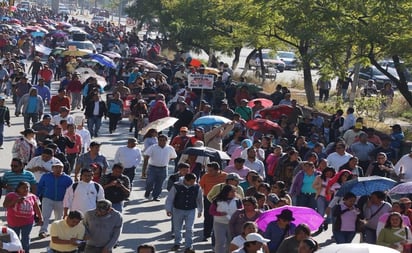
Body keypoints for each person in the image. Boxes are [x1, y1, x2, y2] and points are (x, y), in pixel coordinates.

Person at [166, 173, 203, 252]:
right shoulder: (176, 186)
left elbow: (199, 199)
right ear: (186, 180)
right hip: (178, 210)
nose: (193, 183)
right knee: (177, 228)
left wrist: (200, 210)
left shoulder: (197, 187)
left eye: (194, 181)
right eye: (191, 182)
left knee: (189, 228)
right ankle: (177, 243)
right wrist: (168, 209)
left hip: (191, 210)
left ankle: (188, 246)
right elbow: (170, 198)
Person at [3, 181, 43, 253]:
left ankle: (25, 251)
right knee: (14, 238)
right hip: (13, 222)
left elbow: (37, 208)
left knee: (25, 239)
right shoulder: (11, 195)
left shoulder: (32, 196)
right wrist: (16, 201)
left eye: (28, 187)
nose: (26, 189)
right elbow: (5, 205)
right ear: (18, 188)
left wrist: (40, 218)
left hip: (28, 222)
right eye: (23, 188)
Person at [37, 160, 73, 239]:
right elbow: (39, 187)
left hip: (61, 201)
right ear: (52, 168)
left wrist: (70, 202)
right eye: (56, 167)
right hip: (47, 199)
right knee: (45, 216)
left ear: (63, 169)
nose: (58, 169)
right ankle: (43, 231)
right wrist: (36, 197)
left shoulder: (68, 179)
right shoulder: (45, 176)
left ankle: (56, 232)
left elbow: (71, 191)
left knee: (58, 218)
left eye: (60, 168)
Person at [199, 162, 228, 241]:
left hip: (222, 200)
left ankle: (217, 235)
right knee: (208, 217)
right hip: (208, 199)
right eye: (208, 170)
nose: (208, 172)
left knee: (220, 217)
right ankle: (206, 234)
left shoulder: (225, 176)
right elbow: (200, 186)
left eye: (211, 170)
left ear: (217, 170)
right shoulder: (205, 176)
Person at [144, 134, 177, 201]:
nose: (162, 141)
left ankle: (156, 196)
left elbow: (173, 156)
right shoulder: (153, 147)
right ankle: (148, 190)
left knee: (160, 183)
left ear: (166, 141)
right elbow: (146, 156)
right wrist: (144, 169)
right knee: (150, 181)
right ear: (158, 141)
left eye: (163, 140)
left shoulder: (170, 148)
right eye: (160, 140)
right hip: (152, 168)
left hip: (163, 168)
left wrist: (166, 159)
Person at [210, 184, 242, 253]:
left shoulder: (237, 201)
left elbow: (241, 211)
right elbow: (211, 211)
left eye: (235, 192)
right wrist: (220, 213)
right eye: (232, 192)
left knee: (231, 241)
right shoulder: (217, 200)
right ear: (226, 192)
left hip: (232, 224)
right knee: (220, 242)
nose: (234, 193)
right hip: (219, 223)